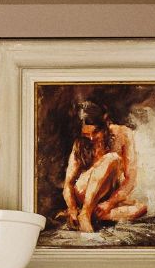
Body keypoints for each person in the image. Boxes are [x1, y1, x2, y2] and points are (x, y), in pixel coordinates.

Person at [61, 98, 142, 231]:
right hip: (83, 191)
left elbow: (130, 179)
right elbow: (68, 184)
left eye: (95, 132)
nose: (91, 138)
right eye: (86, 135)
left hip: (105, 195)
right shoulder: (79, 143)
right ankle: (85, 213)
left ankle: (94, 215)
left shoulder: (123, 134)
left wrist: (109, 203)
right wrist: (72, 208)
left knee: (140, 208)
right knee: (112, 158)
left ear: (105, 123)